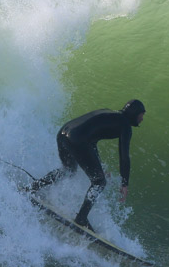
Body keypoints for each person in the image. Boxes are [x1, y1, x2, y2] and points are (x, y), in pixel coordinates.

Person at [28, 99, 146, 232]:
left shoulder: (108, 113)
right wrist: (125, 183)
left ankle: (33, 187)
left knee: (69, 171)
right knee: (99, 182)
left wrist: (100, 166)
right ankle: (81, 218)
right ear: (134, 113)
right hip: (77, 139)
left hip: (63, 134)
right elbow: (124, 156)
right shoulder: (125, 125)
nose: (142, 119)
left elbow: (91, 139)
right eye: (141, 115)